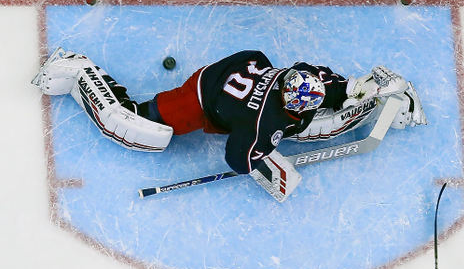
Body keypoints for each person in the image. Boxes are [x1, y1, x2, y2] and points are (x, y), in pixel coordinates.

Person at [31, 48, 426, 201]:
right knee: (140, 130)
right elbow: (239, 155)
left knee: (328, 121)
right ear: (289, 99)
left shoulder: (309, 78)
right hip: (205, 95)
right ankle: (78, 69)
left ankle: (393, 102)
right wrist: (269, 168)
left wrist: (371, 89)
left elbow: (339, 89)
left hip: (246, 70)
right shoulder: (264, 121)